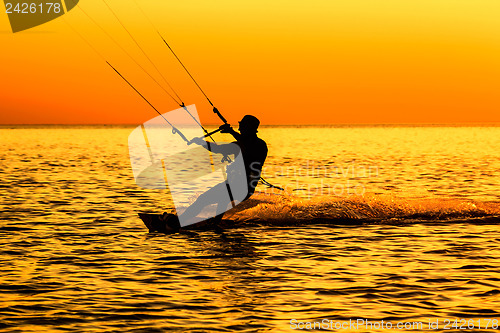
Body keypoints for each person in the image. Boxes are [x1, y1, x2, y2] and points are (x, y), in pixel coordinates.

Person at [163, 115, 268, 231]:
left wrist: (202, 142)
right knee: (218, 198)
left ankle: (180, 223)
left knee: (207, 199)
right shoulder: (253, 144)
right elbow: (244, 145)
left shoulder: (256, 146)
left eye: (242, 126)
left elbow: (223, 149)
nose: (239, 129)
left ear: (248, 128)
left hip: (241, 187)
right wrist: (230, 133)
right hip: (239, 187)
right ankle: (212, 222)